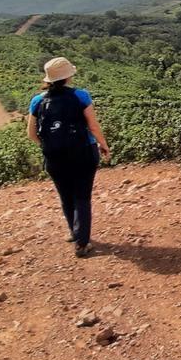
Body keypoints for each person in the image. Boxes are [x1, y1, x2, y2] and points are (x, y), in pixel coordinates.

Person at [26, 57, 111, 257]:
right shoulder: (81, 96)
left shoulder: (38, 101)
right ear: (68, 76)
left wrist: (49, 146)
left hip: (54, 157)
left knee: (66, 196)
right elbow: (93, 126)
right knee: (82, 195)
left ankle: (75, 233)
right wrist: (103, 145)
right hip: (83, 152)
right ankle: (82, 243)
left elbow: (31, 134)